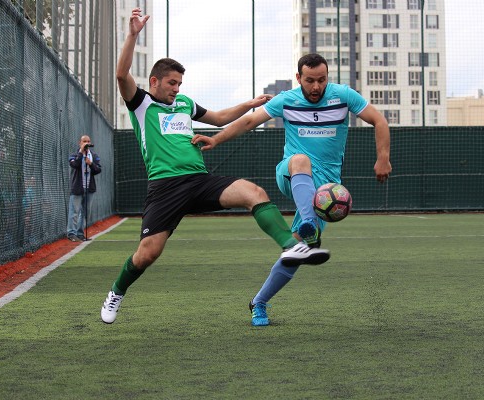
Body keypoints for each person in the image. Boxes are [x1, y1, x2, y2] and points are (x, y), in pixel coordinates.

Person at [101, 8, 329, 324]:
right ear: (154, 81)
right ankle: (117, 291)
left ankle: (292, 246)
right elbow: (121, 75)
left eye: (180, 83)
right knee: (147, 254)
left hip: (199, 180)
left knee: (254, 193)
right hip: (165, 188)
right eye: (171, 83)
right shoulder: (141, 103)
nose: (176, 89)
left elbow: (219, 119)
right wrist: (132, 35)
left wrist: (249, 104)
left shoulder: (184, 104)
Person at [192, 53, 392, 326]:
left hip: (325, 191)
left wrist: (383, 158)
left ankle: (259, 302)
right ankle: (310, 221)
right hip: (291, 173)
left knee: (295, 252)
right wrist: (216, 139)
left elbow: (379, 121)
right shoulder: (287, 99)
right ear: (299, 78)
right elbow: (250, 121)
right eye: (310, 80)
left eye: (322, 80)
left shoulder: (344, 96)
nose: (316, 86)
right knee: (300, 160)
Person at [67, 135, 101, 242]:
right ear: (80, 143)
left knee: (85, 213)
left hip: (89, 188)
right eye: (84, 141)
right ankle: (71, 233)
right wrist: (81, 152)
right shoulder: (74, 155)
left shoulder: (94, 156)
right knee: (74, 212)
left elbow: (98, 169)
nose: (86, 143)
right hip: (77, 188)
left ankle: (80, 233)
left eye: (88, 141)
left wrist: (90, 164)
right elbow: (75, 165)